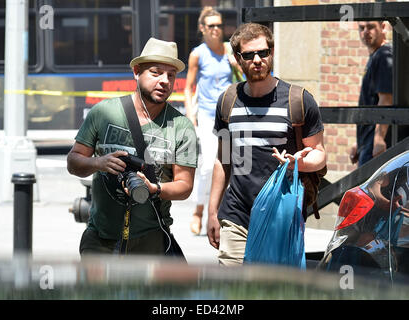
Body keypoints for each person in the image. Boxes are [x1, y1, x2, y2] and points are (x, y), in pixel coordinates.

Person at [207, 23, 326, 266]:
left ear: (272, 52)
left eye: (264, 52)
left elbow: (320, 154)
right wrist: (212, 212)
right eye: (249, 55)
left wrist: (298, 163)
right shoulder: (228, 101)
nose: (258, 59)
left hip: (282, 216)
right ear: (238, 59)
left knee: (274, 291)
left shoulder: (298, 100)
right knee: (233, 293)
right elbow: (223, 159)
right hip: (236, 215)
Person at [67, 37, 198, 256]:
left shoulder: (181, 126)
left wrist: (154, 189)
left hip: (151, 241)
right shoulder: (103, 113)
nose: (165, 81)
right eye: (156, 72)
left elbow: (184, 186)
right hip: (101, 239)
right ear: (137, 71)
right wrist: (99, 163)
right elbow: (73, 162)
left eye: (171, 75)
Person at [184, 6, 242, 236]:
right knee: (208, 166)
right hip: (208, 116)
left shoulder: (231, 50)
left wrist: (236, 63)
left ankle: (216, 212)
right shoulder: (198, 54)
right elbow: (189, 87)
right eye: (211, 26)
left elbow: (251, 78)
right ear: (202, 29)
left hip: (231, 115)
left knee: (231, 166)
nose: (217, 29)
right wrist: (191, 116)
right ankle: (199, 211)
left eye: (219, 25)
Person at [349, 21, 393, 167]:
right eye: (362, 28)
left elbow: (386, 99)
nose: (366, 32)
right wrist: (359, 141)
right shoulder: (375, 56)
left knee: (372, 189)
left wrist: (379, 139)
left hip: (375, 144)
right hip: (367, 141)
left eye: (371, 27)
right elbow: (370, 101)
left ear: (383, 27)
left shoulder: (384, 55)